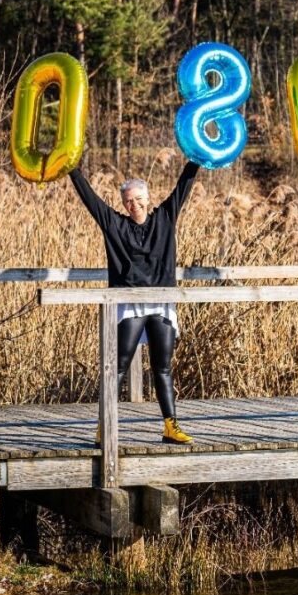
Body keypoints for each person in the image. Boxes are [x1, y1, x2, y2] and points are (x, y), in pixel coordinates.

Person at [69, 162, 199, 444]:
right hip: (130, 303)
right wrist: (73, 170)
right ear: (124, 204)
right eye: (128, 201)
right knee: (118, 367)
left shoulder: (165, 216)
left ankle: (170, 426)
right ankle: (104, 427)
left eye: (138, 199)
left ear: (147, 199)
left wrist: (196, 157)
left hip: (162, 303)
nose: (134, 205)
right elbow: (90, 199)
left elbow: (184, 185)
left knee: (163, 368)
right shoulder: (115, 224)